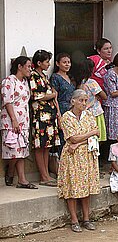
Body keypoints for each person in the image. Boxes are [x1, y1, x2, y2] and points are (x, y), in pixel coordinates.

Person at [57, 89, 100, 233]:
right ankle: (74, 220)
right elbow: (72, 138)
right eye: (80, 100)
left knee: (86, 188)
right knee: (72, 187)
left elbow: (96, 136)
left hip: (87, 155)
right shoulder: (66, 117)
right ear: (73, 101)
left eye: (85, 100)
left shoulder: (89, 115)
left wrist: (79, 142)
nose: (83, 103)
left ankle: (86, 219)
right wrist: (90, 134)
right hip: (72, 157)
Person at [1, 56, 37, 189]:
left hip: (24, 120)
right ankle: (11, 171)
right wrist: (14, 120)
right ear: (19, 67)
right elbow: (8, 101)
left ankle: (21, 179)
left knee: (21, 149)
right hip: (11, 120)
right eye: (27, 66)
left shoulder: (25, 82)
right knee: (14, 149)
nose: (30, 69)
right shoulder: (9, 81)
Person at [30, 49, 60, 187]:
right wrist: (52, 95)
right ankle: (43, 176)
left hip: (49, 115)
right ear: (39, 62)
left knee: (47, 146)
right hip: (40, 115)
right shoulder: (33, 76)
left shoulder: (44, 76)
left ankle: (46, 174)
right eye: (47, 61)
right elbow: (36, 95)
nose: (49, 64)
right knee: (40, 146)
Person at [50, 53, 75, 170]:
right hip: (61, 108)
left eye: (68, 62)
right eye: (64, 62)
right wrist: (59, 115)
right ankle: (62, 168)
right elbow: (54, 96)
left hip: (71, 110)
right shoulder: (55, 77)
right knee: (61, 138)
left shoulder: (70, 77)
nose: (67, 64)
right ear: (57, 63)